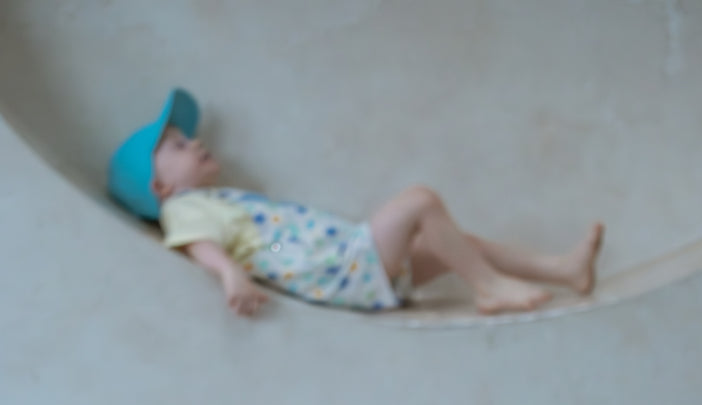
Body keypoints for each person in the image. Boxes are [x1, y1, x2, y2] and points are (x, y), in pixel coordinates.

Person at [108, 88, 605, 317]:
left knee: (458, 242)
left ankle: (563, 270)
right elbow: (198, 244)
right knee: (419, 202)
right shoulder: (184, 210)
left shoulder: (212, 199)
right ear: (160, 188)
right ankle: (490, 287)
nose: (193, 144)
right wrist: (228, 273)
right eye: (177, 146)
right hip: (335, 267)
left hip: (341, 261)